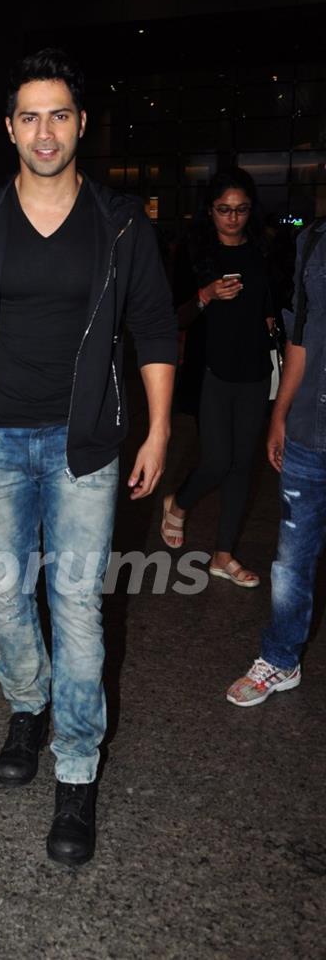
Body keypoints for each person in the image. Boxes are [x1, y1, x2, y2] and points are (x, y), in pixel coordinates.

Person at [0, 49, 177, 866]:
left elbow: (157, 328)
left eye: (58, 114)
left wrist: (161, 429)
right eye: (29, 115)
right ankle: (25, 704)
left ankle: (75, 769)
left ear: (81, 124)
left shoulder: (122, 221)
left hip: (83, 447)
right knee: (6, 598)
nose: (44, 130)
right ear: (9, 128)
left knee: (77, 608)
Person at [227, 217, 326, 705]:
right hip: (310, 430)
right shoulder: (315, 239)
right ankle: (282, 659)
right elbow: (301, 336)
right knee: (291, 562)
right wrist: (280, 412)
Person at [161, 168, 274, 587]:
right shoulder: (193, 253)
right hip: (212, 369)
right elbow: (175, 315)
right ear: (209, 211)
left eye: (241, 210)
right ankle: (179, 502)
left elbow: (270, 302)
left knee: (243, 464)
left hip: (255, 368)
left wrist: (268, 320)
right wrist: (206, 295)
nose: (233, 218)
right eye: (224, 210)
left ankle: (223, 556)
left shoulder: (262, 250)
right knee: (215, 461)